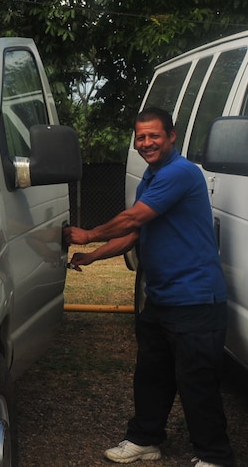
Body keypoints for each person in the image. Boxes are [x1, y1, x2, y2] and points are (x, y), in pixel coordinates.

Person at [64, 107, 234, 467]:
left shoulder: (181, 173)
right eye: (140, 137)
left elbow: (133, 217)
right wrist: (93, 256)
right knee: (151, 375)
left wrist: (89, 233)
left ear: (171, 136)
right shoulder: (151, 178)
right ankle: (145, 440)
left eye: (153, 135)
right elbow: (134, 234)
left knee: (197, 383)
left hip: (196, 299)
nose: (146, 143)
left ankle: (216, 456)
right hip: (162, 297)